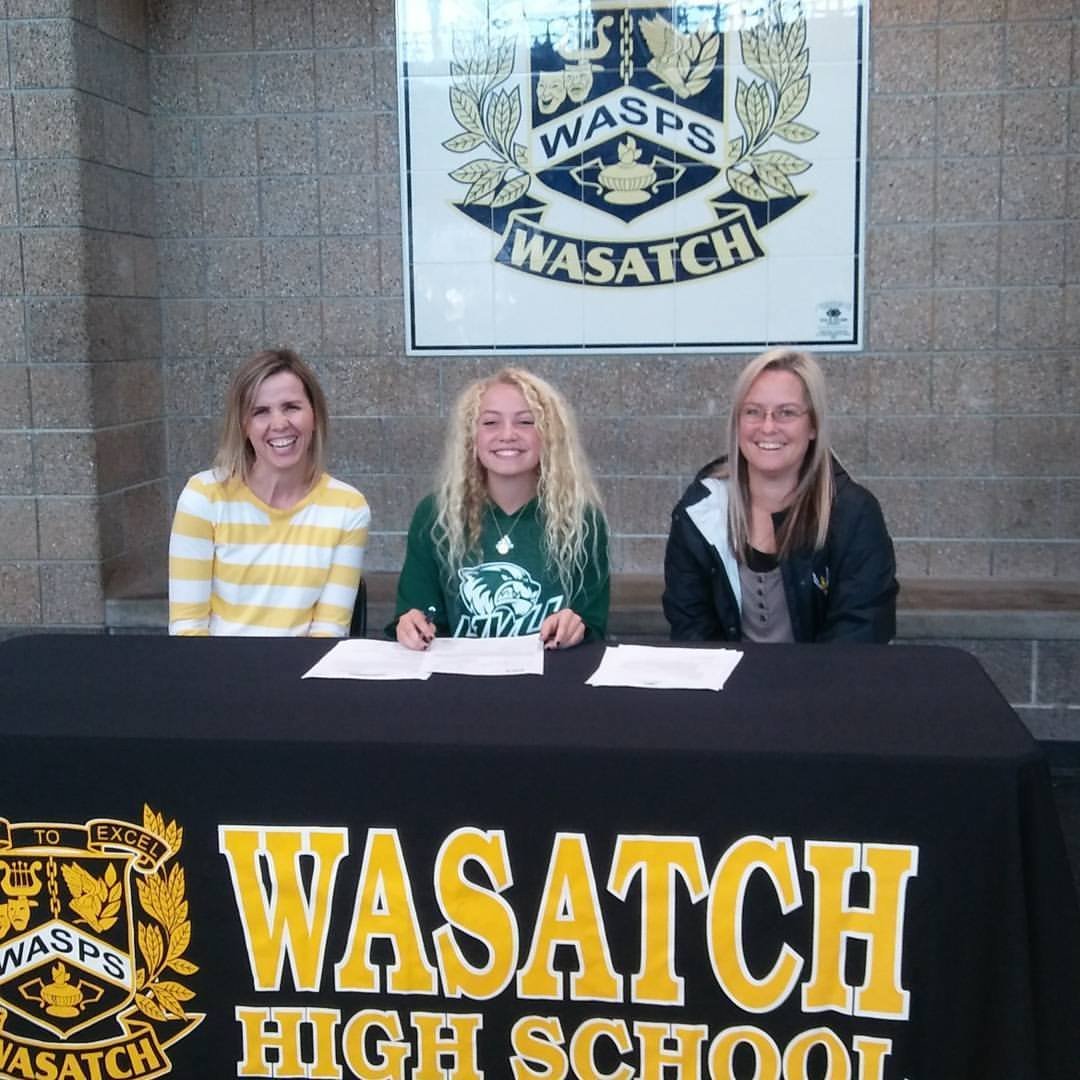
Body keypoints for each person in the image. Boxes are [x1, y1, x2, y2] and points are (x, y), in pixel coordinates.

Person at [663, 348, 897, 643]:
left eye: (786, 412)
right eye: (753, 412)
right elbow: (691, 629)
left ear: (813, 426)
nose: (768, 427)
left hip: (824, 684)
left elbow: (860, 635)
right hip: (730, 685)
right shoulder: (699, 511)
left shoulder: (854, 515)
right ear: (737, 423)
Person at [393, 367, 609, 650]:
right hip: (460, 680)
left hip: (548, 679)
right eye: (491, 423)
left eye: (526, 422)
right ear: (472, 436)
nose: (508, 434)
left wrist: (576, 627)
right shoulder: (435, 516)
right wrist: (411, 625)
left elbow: (593, 625)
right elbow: (419, 614)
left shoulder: (582, 519)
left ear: (549, 435)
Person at [169, 348, 370, 636]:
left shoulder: (349, 508)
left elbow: (328, 633)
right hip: (217, 671)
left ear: (314, 415)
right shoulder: (202, 497)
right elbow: (187, 629)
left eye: (291, 407)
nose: (279, 423)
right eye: (260, 411)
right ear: (243, 425)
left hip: (301, 674)